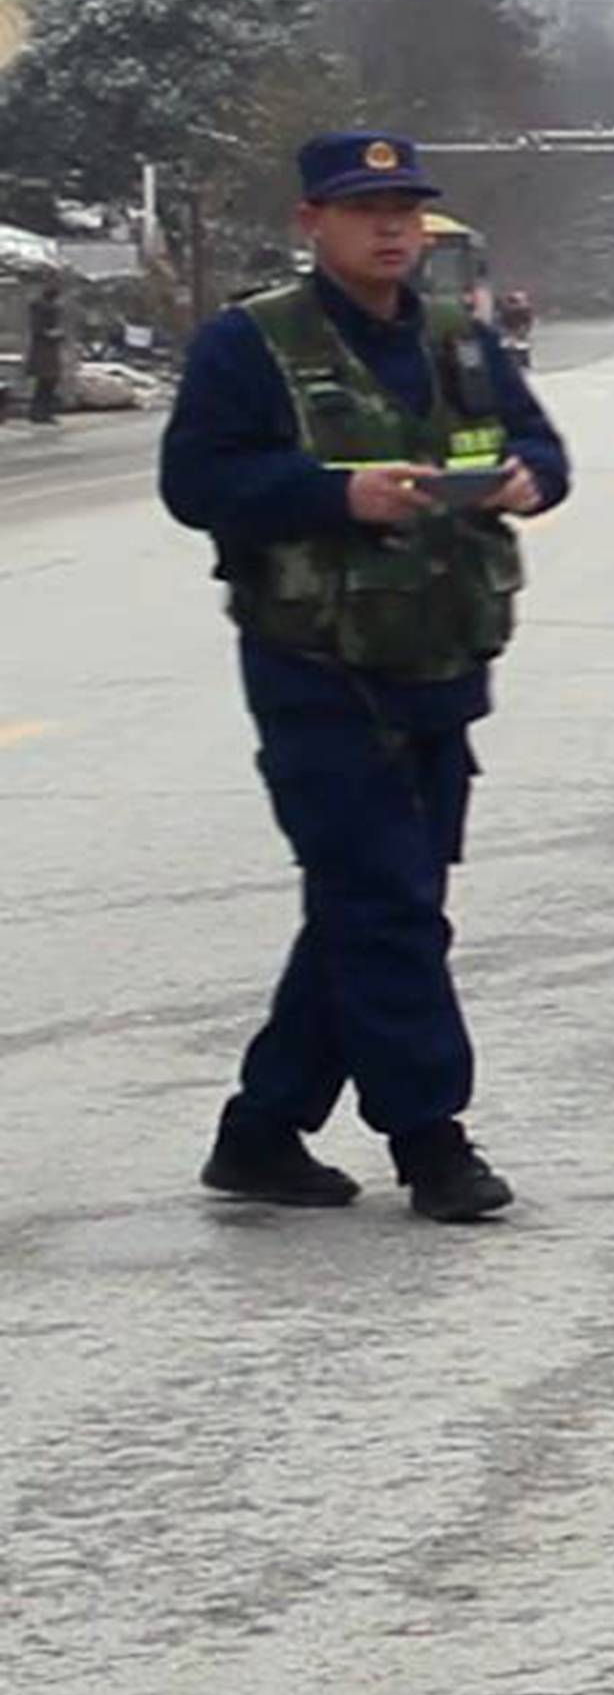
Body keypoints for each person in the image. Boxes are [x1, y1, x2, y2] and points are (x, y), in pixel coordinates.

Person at [159, 133, 568, 1223]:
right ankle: (431, 1141)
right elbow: (195, 480)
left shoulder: (458, 339)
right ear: (312, 223)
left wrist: (527, 482)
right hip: (315, 669)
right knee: (388, 909)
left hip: (442, 662)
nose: (391, 227)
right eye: (364, 207)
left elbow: (542, 450)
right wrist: (336, 495)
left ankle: (261, 1131)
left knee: (376, 904)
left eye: (405, 207)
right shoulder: (251, 344)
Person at [23, 275, 63, 423]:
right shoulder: (42, 307)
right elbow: (38, 329)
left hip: (46, 348)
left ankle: (40, 412)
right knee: (47, 381)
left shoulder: (48, 306)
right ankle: (40, 412)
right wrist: (52, 334)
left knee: (47, 381)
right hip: (43, 349)